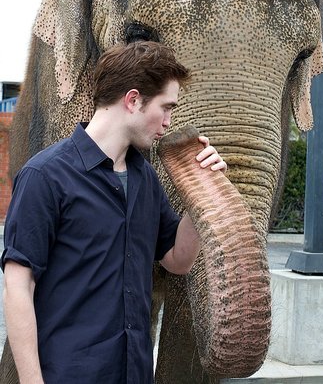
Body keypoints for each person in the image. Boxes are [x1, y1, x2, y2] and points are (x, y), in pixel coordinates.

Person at [2, 41, 227, 384]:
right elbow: (18, 287)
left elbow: (177, 261)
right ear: (133, 100)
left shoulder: (145, 179)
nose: (169, 122)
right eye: (166, 107)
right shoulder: (44, 176)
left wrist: (203, 192)